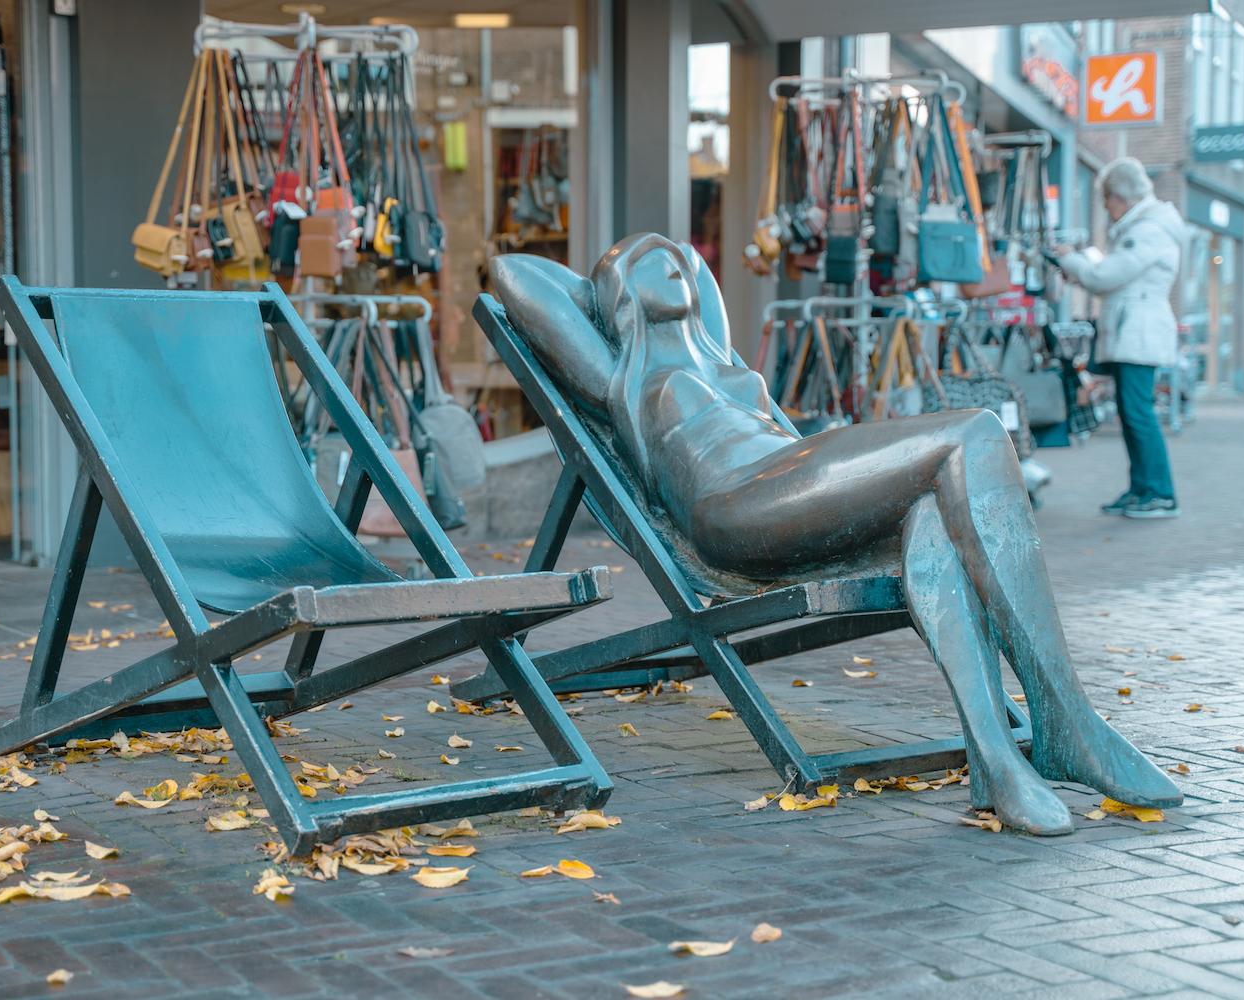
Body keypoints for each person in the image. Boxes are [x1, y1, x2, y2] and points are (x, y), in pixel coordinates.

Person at [493, 234, 1180, 837]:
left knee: (932, 519)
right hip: (733, 509)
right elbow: (515, 276)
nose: (677, 266)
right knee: (972, 430)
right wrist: (604, 275)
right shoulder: (620, 375)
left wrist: (669, 263)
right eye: (651, 261)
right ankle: (1071, 724)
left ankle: (997, 763)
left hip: (786, 483)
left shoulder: (723, 361)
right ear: (619, 296)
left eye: (681, 259)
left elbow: (703, 286)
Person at [1055, 157, 1184, 519]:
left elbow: (1106, 277)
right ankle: (1142, 488)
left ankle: (1158, 492)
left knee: (1138, 413)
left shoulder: (1148, 230)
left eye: (1107, 200)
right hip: (1134, 331)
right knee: (1132, 413)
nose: (1105, 208)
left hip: (1139, 333)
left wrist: (1073, 262)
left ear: (1121, 197)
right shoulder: (1143, 228)